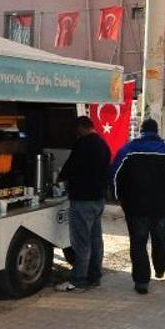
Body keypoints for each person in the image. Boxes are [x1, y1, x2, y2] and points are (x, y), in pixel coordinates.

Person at [111, 119, 165, 294]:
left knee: (138, 243)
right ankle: (160, 268)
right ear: (156, 131)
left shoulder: (127, 150)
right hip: (161, 207)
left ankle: (142, 281)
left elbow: (114, 175)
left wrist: (119, 197)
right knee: (160, 239)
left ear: (140, 131)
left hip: (134, 207)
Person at [55, 116, 111, 292]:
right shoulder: (103, 144)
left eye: (76, 130)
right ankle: (95, 277)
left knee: (81, 242)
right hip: (98, 200)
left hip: (82, 201)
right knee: (96, 240)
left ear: (81, 128)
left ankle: (79, 280)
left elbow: (69, 168)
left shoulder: (82, 145)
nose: (75, 134)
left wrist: (58, 180)